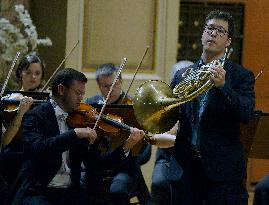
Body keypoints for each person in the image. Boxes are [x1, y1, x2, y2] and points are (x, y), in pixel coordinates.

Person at [149, 10, 255, 205]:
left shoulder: (241, 76)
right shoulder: (182, 74)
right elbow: (171, 115)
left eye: (220, 31)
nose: (213, 34)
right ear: (202, 34)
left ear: (229, 41)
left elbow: (246, 113)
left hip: (222, 173)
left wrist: (224, 87)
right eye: (210, 28)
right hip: (185, 169)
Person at [6, 68, 145, 205]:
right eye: (78, 93)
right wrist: (73, 134)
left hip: (69, 192)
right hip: (38, 190)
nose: (81, 99)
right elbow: (37, 149)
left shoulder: (78, 119)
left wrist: (127, 146)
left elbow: (96, 163)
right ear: (61, 89)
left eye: (82, 94)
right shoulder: (36, 116)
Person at [84, 63, 152, 204]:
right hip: (99, 165)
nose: (110, 89)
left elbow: (145, 149)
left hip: (125, 167)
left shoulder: (134, 106)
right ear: (99, 86)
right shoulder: (91, 105)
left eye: (114, 84)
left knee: (117, 190)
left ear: (120, 82)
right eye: (105, 86)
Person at [151, 60, 193, 205]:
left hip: (193, 158)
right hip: (167, 158)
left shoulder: (200, 103)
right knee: (159, 182)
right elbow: (163, 136)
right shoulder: (165, 105)